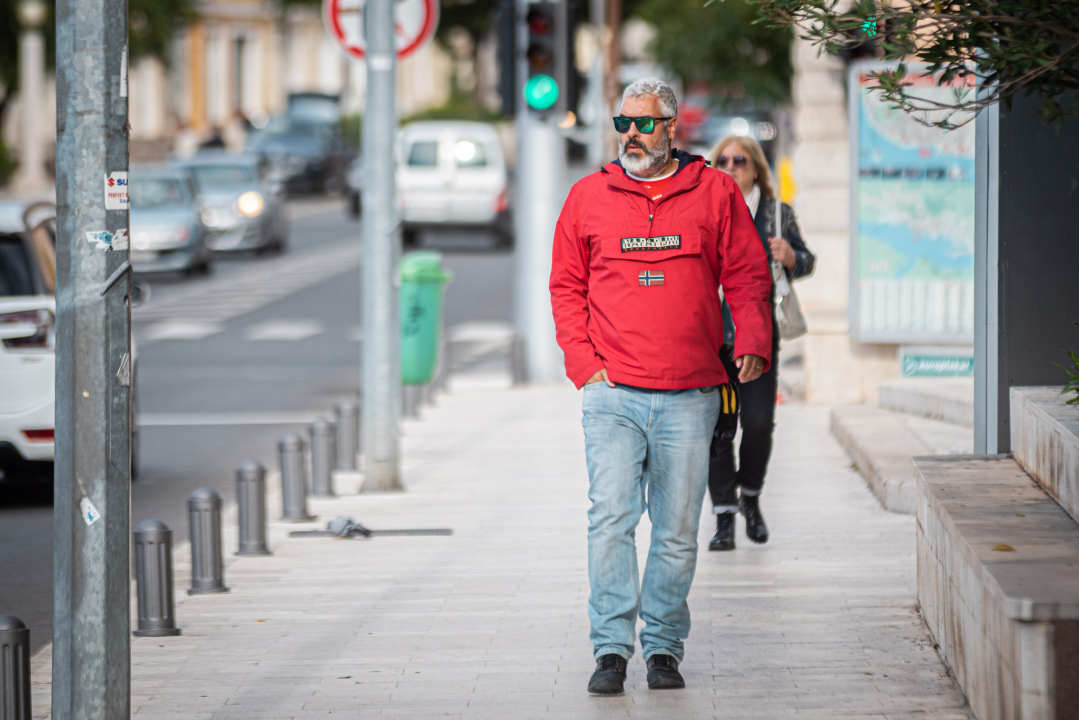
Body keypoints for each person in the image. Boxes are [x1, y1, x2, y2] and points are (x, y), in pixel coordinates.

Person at [549, 78, 774, 696]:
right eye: (623, 123)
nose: (631, 135)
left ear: (671, 127)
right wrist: (584, 364)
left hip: (691, 393)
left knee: (676, 530)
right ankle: (612, 648)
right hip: (612, 392)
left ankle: (664, 646)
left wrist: (752, 340)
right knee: (612, 521)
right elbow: (565, 286)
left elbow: (749, 275)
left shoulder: (715, 193)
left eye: (644, 124)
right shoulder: (588, 196)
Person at [705, 135, 816, 552]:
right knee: (716, 430)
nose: (730, 167)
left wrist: (791, 257)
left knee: (756, 423)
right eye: (722, 160)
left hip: (759, 339)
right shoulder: (703, 210)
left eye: (740, 160)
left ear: (755, 169)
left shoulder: (774, 215)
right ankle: (723, 517)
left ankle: (750, 497)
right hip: (711, 339)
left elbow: (806, 262)